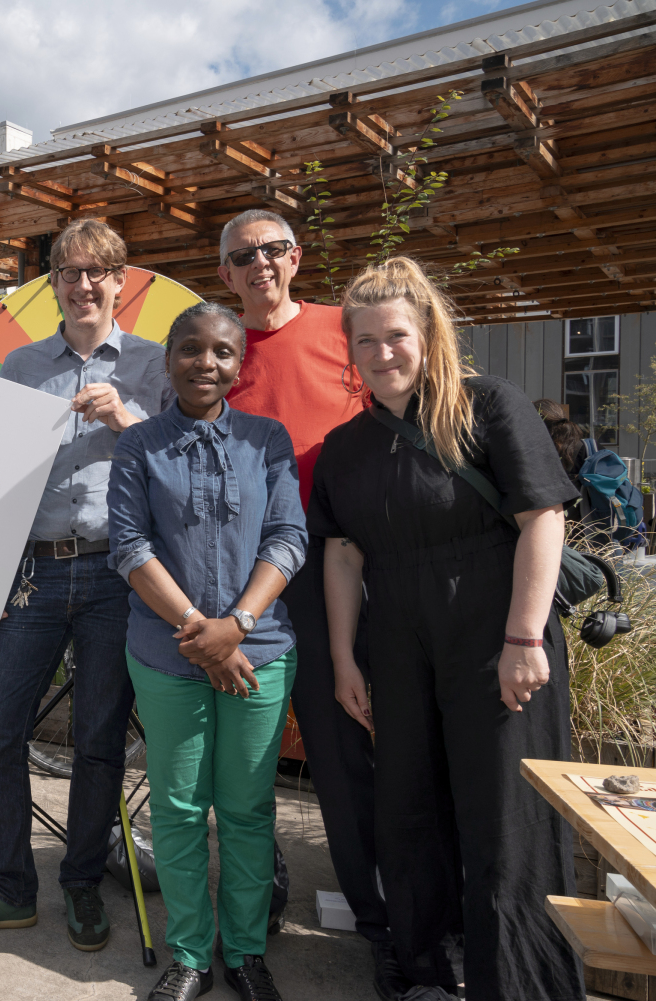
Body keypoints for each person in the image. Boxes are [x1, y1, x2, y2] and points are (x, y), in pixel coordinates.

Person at [311, 257, 582, 1000]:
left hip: (493, 630)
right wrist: (342, 657)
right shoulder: (347, 446)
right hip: (397, 638)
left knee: (506, 821)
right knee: (408, 810)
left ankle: (520, 985)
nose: (382, 353)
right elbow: (341, 553)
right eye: (364, 340)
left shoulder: (486, 406)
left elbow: (542, 517)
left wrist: (525, 638)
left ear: (428, 335)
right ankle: (424, 971)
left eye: (396, 335)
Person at [0, 219, 173, 950]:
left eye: (98, 271)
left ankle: (81, 880)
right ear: (55, 285)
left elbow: (179, 467)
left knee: (99, 741)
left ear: (120, 283)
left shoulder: (156, 365)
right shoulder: (22, 364)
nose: (84, 283)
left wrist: (128, 419)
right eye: (70, 271)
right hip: (32, 569)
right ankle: (8, 886)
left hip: (116, 573)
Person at [109, 302, 306, 1001]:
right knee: (180, 807)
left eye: (222, 351)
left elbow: (288, 538)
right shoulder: (138, 446)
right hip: (166, 653)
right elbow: (130, 548)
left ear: (239, 362)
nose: (206, 363)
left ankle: (246, 951)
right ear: (169, 359)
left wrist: (238, 626)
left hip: (261, 650)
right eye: (191, 349)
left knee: (248, 807)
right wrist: (201, 628)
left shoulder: (267, 440)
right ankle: (191, 953)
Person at [214, 208, 387, 975]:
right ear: (224, 273)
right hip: (242, 575)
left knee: (339, 744)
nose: (261, 263)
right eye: (243, 255)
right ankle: (259, 892)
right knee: (241, 755)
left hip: (334, 567)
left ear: (296, 256)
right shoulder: (212, 348)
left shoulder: (344, 329)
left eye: (274, 249)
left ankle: (382, 919)